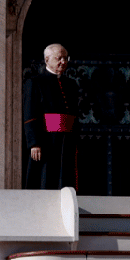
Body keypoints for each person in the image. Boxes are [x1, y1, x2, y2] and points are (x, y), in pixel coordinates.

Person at [23, 43, 80, 189]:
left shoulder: (71, 84)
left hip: (66, 140)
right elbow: (30, 113)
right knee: (45, 178)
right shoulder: (35, 82)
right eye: (59, 58)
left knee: (66, 179)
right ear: (47, 59)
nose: (63, 61)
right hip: (46, 139)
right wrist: (34, 143)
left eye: (66, 58)